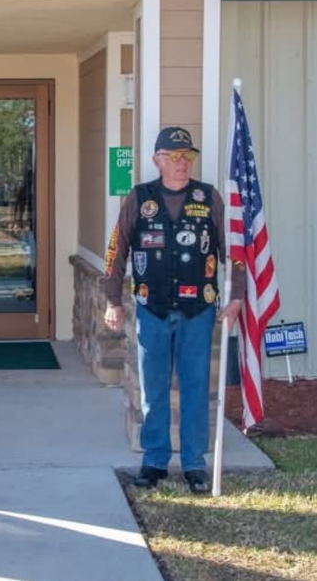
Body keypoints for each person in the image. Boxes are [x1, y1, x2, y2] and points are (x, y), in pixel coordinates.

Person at [104, 127, 244, 494]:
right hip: (153, 308)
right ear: (157, 160)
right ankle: (154, 461)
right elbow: (116, 253)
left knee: (197, 387)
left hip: (199, 309)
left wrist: (238, 296)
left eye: (188, 156)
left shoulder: (208, 198)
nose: (182, 163)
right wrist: (112, 301)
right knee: (153, 388)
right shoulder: (139, 198)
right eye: (174, 156)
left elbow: (234, 251)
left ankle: (195, 464)